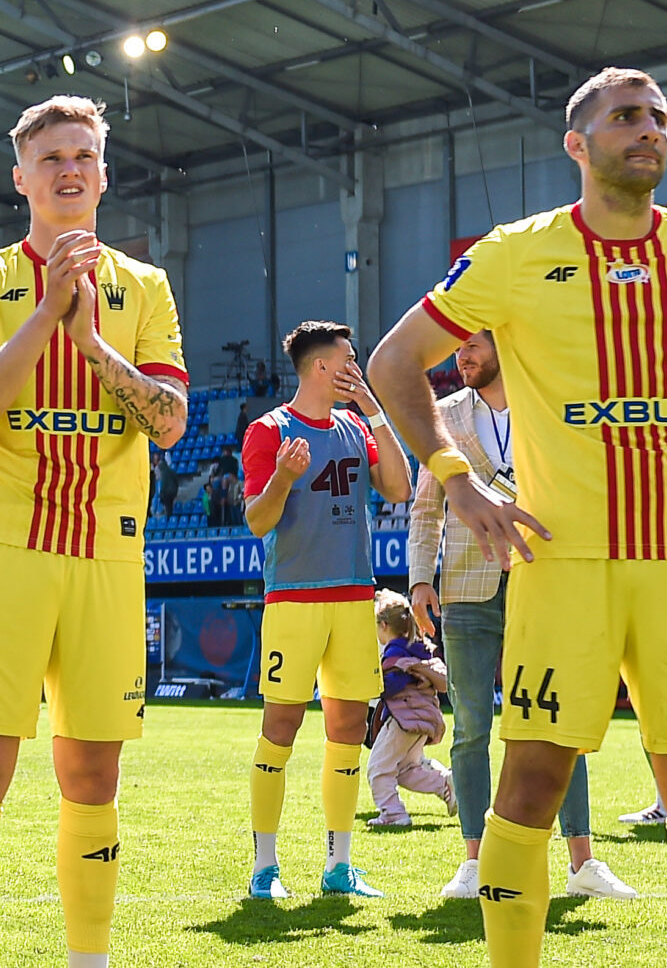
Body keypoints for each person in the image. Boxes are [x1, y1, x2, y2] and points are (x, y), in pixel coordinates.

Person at [369, 67, 667, 968]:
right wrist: (457, 480)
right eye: (626, 117)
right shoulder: (513, 253)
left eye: (658, 118)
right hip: (563, 565)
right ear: (577, 143)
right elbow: (395, 361)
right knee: (531, 783)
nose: (648, 130)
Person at [0, 97, 186, 968]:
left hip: (107, 553)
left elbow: (169, 423)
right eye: (51, 158)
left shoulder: (146, 287)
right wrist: (45, 314)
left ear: (104, 174)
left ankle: (90, 961)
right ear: (21, 178)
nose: (69, 169)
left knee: (93, 776)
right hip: (2, 546)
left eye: (83, 155)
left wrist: (91, 342)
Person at [407, 330, 629, 899]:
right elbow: (426, 508)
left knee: (561, 722)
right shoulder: (442, 415)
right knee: (471, 727)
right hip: (465, 586)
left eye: (473, 345)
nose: (462, 356)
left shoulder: (550, 406)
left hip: (544, 581)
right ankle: (474, 861)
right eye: (457, 347)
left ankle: (582, 862)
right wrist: (419, 578)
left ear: (505, 343)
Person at [238, 319, 411, 899]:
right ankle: (265, 867)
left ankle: (339, 866)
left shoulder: (357, 426)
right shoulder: (269, 431)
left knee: (347, 729)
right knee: (280, 728)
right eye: (348, 361)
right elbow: (258, 521)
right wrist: (284, 477)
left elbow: (399, 488)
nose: (355, 369)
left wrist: (376, 412)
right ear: (321, 367)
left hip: (354, 596)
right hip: (295, 598)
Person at [368, 589, 454, 828]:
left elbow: (392, 686)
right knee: (405, 770)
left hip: (403, 721)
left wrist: (371, 684)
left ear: (384, 625)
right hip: (422, 719)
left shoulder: (394, 653)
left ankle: (393, 814)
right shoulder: (417, 648)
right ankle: (445, 783)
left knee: (378, 769)